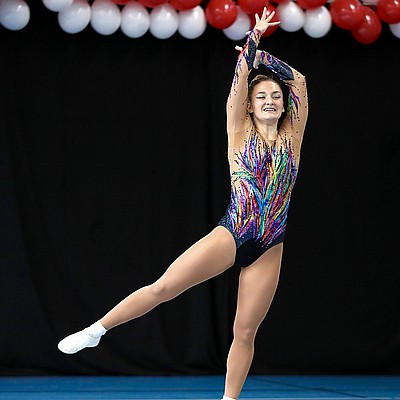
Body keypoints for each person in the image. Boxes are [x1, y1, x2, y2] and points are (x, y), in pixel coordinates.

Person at [58, 8, 308, 400]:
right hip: (234, 233)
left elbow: (301, 82)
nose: (270, 101)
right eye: (261, 96)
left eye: (276, 96)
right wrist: (253, 43)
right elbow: (241, 77)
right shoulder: (238, 128)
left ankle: (228, 399)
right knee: (163, 288)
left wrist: (263, 58)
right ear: (248, 105)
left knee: (245, 331)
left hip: (270, 245)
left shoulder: (293, 135)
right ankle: (97, 330)